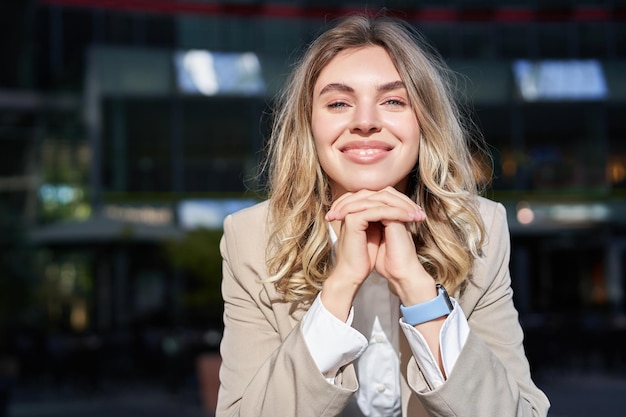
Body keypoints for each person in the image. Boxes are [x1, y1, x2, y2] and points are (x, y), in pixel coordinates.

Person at [216, 14, 550, 417]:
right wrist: (339, 288)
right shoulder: (250, 238)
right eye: (339, 103)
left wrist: (418, 291)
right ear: (309, 125)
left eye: (393, 100)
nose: (365, 122)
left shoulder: (479, 229)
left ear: (424, 121)